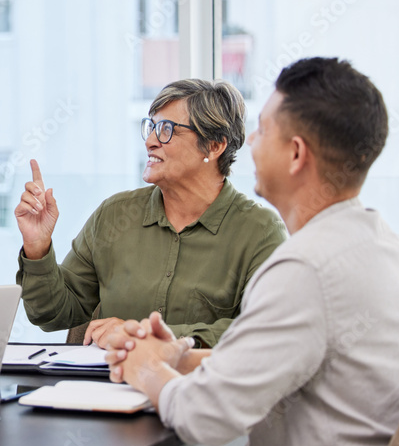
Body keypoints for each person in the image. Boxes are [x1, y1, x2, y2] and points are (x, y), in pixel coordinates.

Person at [106, 58, 399, 446]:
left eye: (263, 130)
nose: (250, 144)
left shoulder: (304, 268)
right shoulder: (381, 244)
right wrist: (179, 357)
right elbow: (298, 362)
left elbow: (203, 417)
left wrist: (147, 369)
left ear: (296, 154)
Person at [15, 79, 286, 349]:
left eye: (167, 130)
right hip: (104, 387)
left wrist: (147, 336)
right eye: (152, 127)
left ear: (214, 146)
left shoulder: (260, 231)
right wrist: (37, 248)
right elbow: (51, 314)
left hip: (196, 388)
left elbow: (265, 329)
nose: (151, 141)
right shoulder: (114, 215)